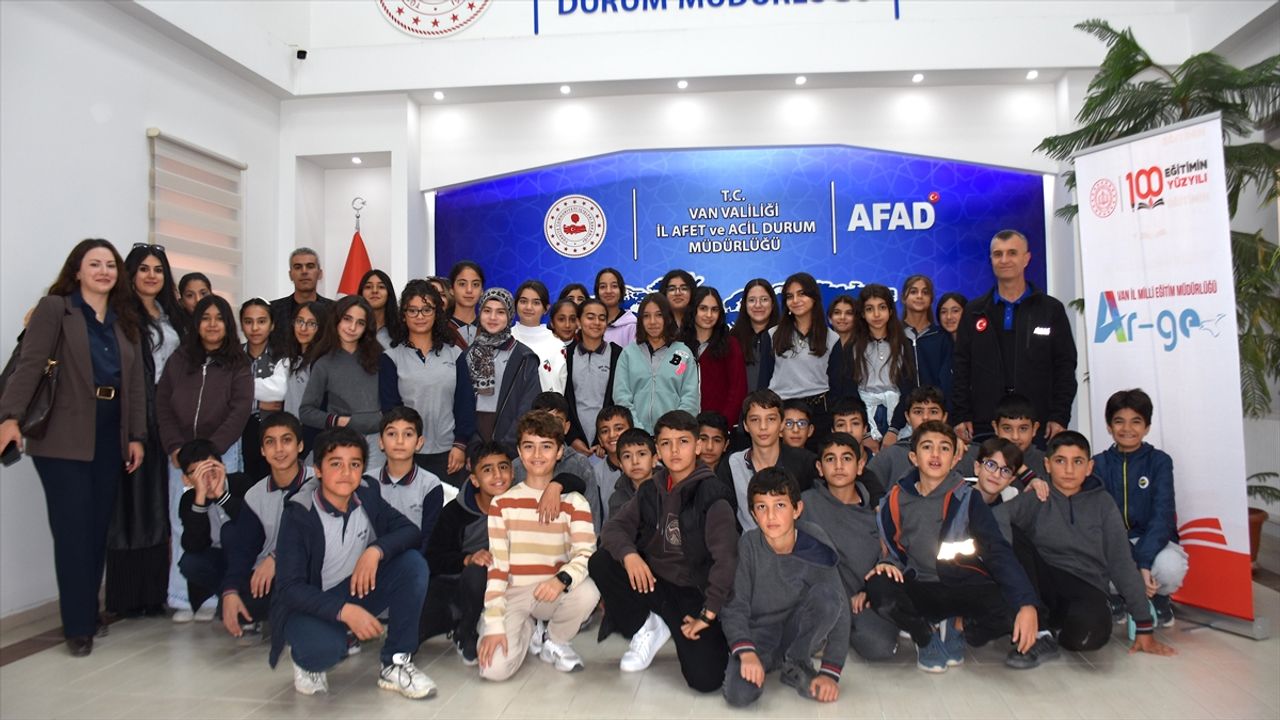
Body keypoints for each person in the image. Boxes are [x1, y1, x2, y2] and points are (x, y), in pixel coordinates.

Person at [0, 239, 147, 656]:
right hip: (62, 436)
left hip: (111, 432)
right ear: (77, 270)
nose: (103, 271)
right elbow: (31, 364)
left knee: (97, 530)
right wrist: (9, 417)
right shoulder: (56, 309)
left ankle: (86, 609)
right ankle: (78, 626)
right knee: (72, 532)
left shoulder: (125, 319)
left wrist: (136, 436)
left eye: (110, 265)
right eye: (94, 264)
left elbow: (135, 385)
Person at [268, 427, 435, 699]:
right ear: (318, 470)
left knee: (412, 564)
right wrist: (345, 611)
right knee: (327, 649)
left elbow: (410, 531)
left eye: (354, 464)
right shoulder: (299, 513)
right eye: (336, 464)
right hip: (306, 606)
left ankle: (395, 663)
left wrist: (375, 551)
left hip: (352, 590)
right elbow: (289, 588)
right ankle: (306, 659)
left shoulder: (367, 494)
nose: (346, 473)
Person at [865, 420, 1045, 672]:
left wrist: (1026, 604)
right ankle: (924, 635)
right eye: (927, 447)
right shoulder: (895, 498)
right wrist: (885, 564)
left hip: (959, 585)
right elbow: (888, 546)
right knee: (878, 588)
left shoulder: (967, 498)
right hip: (914, 586)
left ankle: (957, 626)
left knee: (1013, 609)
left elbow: (997, 550)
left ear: (955, 458)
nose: (935, 454)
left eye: (944, 448)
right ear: (914, 457)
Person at [590, 410, 737, 693]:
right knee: (602, 561)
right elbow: (613, 529)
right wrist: (630, 555)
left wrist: (708, 614)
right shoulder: (651, 489)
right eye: (666, 443)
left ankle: (670, 621)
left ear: (697, 446)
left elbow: (726, 560)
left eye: (683, 441)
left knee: (706, 680)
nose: (675, 450)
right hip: (655, 581)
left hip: (694, 591)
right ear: (658, 450)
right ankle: (648, 624)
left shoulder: (713, 495)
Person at [1003, 431, 1177, 658]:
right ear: (1047, 465)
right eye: (1060, 461)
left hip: (1086, 585)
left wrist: (1144, 626)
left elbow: (1121, 563)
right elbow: (988, 522)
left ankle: (1053, 631)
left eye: (1077, 462)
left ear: (1089, 467)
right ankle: (1040, 631)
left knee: (1086, 640)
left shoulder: (1103, 504)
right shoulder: (1037, 496)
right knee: (1008, 533)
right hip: (1042, 583)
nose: (1069, 470)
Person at [478, 411, 600, 679]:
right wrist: (495, 624)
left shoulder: (575, 502)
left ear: (559, 452)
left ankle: (554, 640)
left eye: (546, 446)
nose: (537, 455)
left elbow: (585, 554)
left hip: (552, 591)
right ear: (519, 452)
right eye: (529, 446)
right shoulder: (502, 504)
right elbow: (497, 569)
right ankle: (525, 628)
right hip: (513, 594)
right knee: (493, 671)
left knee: (589, 591)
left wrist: (561, 579)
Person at [157, 294, 253, 622]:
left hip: (222, 454)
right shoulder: (179, 359)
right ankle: (182, 597)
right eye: (206, 318)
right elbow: (163, 405)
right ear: (196, 323)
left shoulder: (238, 363)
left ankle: (217, 594)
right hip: (181, 456)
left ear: (228, 324)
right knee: (182, 520)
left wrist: (210, 453)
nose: (212, 324)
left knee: (222, 524)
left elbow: (240, 409)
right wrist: (176, 448)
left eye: (219, 318)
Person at [722, 467, 849, 707]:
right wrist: (746, 651)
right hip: (759, 634)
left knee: (828, 596)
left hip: (796, 629)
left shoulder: (814, 541)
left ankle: (796, 662)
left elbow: (839, 608)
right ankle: (771, 662)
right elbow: (734, 605)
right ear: (753, 514)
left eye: (780, 505)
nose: (771, 516)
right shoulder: (748, 545)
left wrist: (830, 671)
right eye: (762, 507)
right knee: (739, 695)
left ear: (797, 509)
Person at [105, 243, 185, 620]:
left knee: (158, 506)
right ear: (131, 274)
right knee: (129, 507)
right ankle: (125, 597)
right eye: (144, 269)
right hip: (135, 414)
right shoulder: (120, 314)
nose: (152, 276)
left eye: (158, 270)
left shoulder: (173, 315)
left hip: (169, 415)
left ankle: (155, 594)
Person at [953, 229, 1077, 446]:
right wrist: (961, 414)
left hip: (1038, 424)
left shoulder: (1050, 310)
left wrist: (1059, 416)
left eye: (1012, 253)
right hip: (985, 424)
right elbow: (961, 368)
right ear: (991, 260)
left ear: (1026, 258)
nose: (1004, 260)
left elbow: (1065, 366)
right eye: (998, 254)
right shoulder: (974, 311)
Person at [1092, 389, 1186, 627]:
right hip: (1113, 543)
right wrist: (1132, 562)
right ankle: (1117, 598)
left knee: (1170, 567)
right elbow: (1099, 520)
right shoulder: (1098, 464)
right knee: (1091, 562)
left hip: (1152, 540)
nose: (1127, 429)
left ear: (1147, 427)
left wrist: (1142, 562)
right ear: (1109, 426)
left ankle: (1160, 599)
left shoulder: (1160, 461)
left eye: (1136, 421)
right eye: (1119, 421)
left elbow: (1163, 516)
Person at [802, 433, 901, 661]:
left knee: (880, 648)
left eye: (846, 458)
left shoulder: (877, 510)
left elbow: (893, 552)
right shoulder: (806, 504)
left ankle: (840, 630)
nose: (838, 466)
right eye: (830, 459)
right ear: (819, 468)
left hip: (862, 598)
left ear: (860, 465)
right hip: (822, 597)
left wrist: (871, 589)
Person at [219, 412, 313, 640]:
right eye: (270, 442)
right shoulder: (255, 494)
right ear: (262, 450)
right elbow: (243, 549)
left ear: (300, 446)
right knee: (234, 601)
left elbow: (318, 535)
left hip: (311, 570)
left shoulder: (320, 482)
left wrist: (277, 557)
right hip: (275, 577)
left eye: (286, 440)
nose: (279, 449)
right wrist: (230, 590)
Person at [422, 441, 513, 662]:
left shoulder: (520, 508)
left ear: (512, 473)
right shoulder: (455, 512)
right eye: (487, 470)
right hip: (457, 585)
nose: (498, 475)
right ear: (474, 479)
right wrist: (466, 559)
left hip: (507, 586)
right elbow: (433, 559)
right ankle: (460, 621)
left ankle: (468, 629)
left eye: (503, 467)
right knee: (414, 633)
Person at [379, 280, 474, 486]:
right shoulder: (391, 357)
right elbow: (390, 409)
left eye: (426, 310)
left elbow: (465, 403)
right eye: (412, 310)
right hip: (407, 454)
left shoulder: (454, 354)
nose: (420, 316)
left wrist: (460, 445)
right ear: (403, 315)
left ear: (436, 313)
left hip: (449, 454)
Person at [299, 295, 385, 468]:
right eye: (347, 319)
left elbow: (392, 402)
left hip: (377, 441)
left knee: (372, 485)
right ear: (336, 320)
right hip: (342, 440)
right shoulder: (323, 363)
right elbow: (306, 411)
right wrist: (338, 421)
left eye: (360, 323)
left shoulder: (380, 358)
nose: (352, 327)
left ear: (366, 327)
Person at [175, 439, 252, 629]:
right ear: (186, 479)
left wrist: (222, 496)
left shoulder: (241, 482)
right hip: (219, 559)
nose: (207, 478)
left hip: (249, 556)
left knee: (230, 533)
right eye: (197, 473)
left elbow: (251, 524)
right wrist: (200, 500)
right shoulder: (189, 500)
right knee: (189, 562)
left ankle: (247, 605)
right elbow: (193, 546)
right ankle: (229, 599)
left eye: (210, 469)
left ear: (222, 467)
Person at [719, 390, 819, 530]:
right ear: (746, 425)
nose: (763, 427)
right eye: (755, 420)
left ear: (782, 423)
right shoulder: (732, 465)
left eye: (771, 419)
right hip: (749, 541)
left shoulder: (805, 461)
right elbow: (725, 519)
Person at [758, 273, 839, 440]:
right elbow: (763, 381)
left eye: (801, 294)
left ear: (814, 298)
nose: (795, 300)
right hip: (782, 411)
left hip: (819, 414)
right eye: (790, 296)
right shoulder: (772, 335)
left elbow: (837, 385)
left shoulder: (832, 338)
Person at [612, 293, 700, 432]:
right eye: (646, 316)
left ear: (668, 318)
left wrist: (671, 430)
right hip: (636, 435)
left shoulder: (684, 354)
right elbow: (621, 397)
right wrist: (638, 429)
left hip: (673, 435)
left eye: (659, 315)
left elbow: (690, 399)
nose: (652, 322)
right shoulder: (628, 353)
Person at [466, 288, 540, 448]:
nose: (492, 317)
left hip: (510, 442)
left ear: (510, 316)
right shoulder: (468, 354)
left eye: (500, 312)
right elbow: (460, 403)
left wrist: (508, 445)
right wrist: (470, 442)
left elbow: (528, 407)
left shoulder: (524, 357)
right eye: (487, 311)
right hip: (472, 440)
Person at [846, 284, 914, 448]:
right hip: (865, 414)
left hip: (897, 414)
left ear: (890, 311)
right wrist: (866, 433)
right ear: (862, 314)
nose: (876, 314)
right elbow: (849, 390)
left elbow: (909, 388)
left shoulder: (904, 343)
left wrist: (894, 430)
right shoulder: (853, 346)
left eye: (882, 307)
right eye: (870, 309)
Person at [366, 406, 446, 547]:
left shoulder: (430, 485)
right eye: (392, 434)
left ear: (419, 443)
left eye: (408, 434)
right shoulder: (366, 482)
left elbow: (429, 538)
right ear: (381, 442)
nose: (400, 441)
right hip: (372, 556)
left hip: (413, 556)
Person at [563, 298, 622, 457]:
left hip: (607, 445)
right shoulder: (565, 355)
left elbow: (620, 400)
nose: (596, 322)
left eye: (602, 318)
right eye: (590, 317)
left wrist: (604, 439)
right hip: (573, 445)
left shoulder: (618, 355)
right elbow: (563, 400)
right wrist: (572, 438)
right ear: (578, 321)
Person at [684, 286, 747, 432]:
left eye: (714, 309)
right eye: (703, 308)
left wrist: (722, 425)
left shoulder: (730, 345)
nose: (709, 315)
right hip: (684, 428)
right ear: (693, 310)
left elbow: (738, 389)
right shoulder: (679, 345)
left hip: (718, 429)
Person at [239, 298, 287, 485]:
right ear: (241, 325)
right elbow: (221, 394)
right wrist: (257, 403)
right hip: (239, 433)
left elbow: (279, 391)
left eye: (261, 321)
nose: (255, 328)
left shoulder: (283, 356)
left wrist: (239, 389)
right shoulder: (232, 357)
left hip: (274, 433)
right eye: (248, 321)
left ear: (272, 325)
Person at [866, 385, 948, 490]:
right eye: (918, 412)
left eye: (933, 412)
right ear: (907, 417)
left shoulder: (959, 453)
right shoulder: (889, 456)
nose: (925, 417)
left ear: (944, 417)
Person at [958, 393, 1046, 489]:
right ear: (995, 427)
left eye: (1023, 429)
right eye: (1007, 428)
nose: (1015, 437)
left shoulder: (1045, 463)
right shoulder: (973, 455)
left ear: (1034, 429)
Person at [900, 274, 955, 408]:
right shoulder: (894, 335)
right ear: (903, 298)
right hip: (899, 412)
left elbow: (947, 381)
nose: (919, 296)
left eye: (925, 292)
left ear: (931, 299)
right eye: (913, 292)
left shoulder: (942, 336)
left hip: (935, 410)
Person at [282, 301, 326, 460]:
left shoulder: (320, 362)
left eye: (311, 324)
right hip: (291, 432)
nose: (303, 328)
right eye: (299, 321)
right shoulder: (293, 357)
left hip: (311, 437)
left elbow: (321, 408)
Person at [269, 248, 333, 347]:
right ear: (290, 275)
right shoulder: (272, 310)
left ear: (320, 274)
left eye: (310, 266)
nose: (304, 271)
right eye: (298, 267)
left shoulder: (334, 310)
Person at [512, 279, 567, 393]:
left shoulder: (556, 345)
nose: (529, 307)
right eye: (523, 301)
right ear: (515, 304)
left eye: (536, 303)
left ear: (546, 309)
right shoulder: (505, 339)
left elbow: (559, 387)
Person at [728, 278, 779, 395]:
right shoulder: (732, 339)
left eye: (764, 299)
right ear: (744, 304)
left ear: (772, 303)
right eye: (752, 300)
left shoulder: (784, 336)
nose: (758, 305)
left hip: (777, 404)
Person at [590, 406, 634, 522]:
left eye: (618, 428)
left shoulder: (651, 466)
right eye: (605, 431)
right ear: (600, 439)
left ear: (631, 431)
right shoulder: (595, 472)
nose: (612, 435)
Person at [609, 427, 656, 519]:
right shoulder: (617, 499)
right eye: (627, 456)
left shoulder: (669, 490)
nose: (635, 461)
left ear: (654, 459)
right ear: (621, 464)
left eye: (642, 454)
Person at [360, 269, 401, 350]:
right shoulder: (353, 327)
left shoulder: (401, 328)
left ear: (389, 293)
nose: (374, 291)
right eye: (368, 287)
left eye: (381, 287)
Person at [595, 267, 637, 347]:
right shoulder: (591, 324)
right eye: (603, 287)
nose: (608, 291)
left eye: (614, 286)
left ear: (621, 290)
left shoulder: (632, 326)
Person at [449, 260, 485, 348]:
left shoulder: (489, 327)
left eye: (475, 284)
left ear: (482, 291)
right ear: (451, 290)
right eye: (462, 284)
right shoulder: (440, 328)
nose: (469, 290)